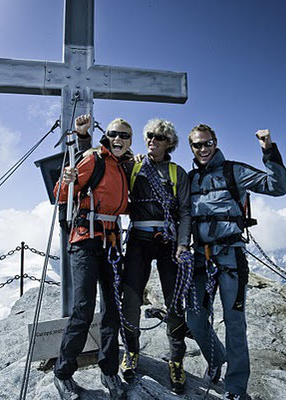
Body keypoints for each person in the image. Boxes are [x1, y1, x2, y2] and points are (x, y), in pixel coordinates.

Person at [186, 124, 286, 400]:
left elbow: (277, 187)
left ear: (215, 143)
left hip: (231, 256)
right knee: (194, 319)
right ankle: (217, 357)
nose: (203, 149)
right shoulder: (190, 179)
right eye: (197, 145)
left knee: (234, 322)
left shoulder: (235, 171)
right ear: (191, 148)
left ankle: (235, 389)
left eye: (207, 143)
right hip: (200, 258)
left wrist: (268, 150)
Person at [53, 115, 132, 400]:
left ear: (129, 140)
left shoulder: (125, 167)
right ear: (107, 137)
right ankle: (62, 373)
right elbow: (61, 194)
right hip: (86, 241)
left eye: (125, 135)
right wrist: (66, 180)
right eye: (114, 134)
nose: (119, 138)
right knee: (84, 308)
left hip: (110, 243)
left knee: (112, 309)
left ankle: (109, 370)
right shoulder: (95, 160)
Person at [119, 119, 192, 394]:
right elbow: (112, 170)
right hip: (138, 239)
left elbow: (185, 211)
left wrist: (183, 244)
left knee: (175, 302)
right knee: (131, 300)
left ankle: (176, 360)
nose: (153, 140)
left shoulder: (177, 172)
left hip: (169, 242)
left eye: (160, 137)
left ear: (169, 143)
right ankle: (132, 351)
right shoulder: (134, 165)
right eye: (149, 135)